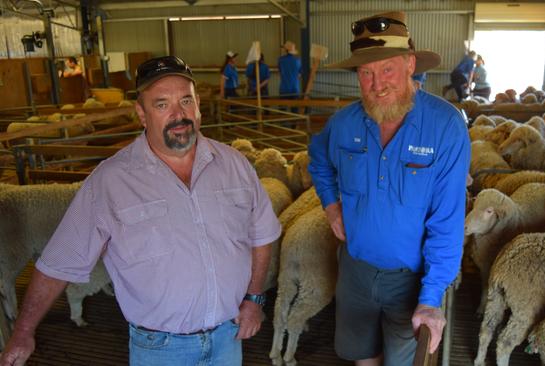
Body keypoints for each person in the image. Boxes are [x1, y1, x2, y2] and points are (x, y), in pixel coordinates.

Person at [0, 55, 281, 366]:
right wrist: (23, 331)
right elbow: (58, 263)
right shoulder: (111, 181)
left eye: (186, 100)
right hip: (161, 350)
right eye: (162, 104)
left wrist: (254, 298)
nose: (179, 114)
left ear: (198, 104)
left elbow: (262, 233)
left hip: (227, 339)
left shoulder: (235, 164)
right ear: (142, 114)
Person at [308, 11, 470, 366]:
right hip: (355, 271)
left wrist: (430, 298)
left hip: (410, 280)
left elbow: (447, 221)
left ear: (410, 64)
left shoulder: (445, 127)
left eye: (387, 70)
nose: (376, 83)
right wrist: (331, 205)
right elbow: (317, 159)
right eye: (365, 73)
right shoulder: (343, 123)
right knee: (362, 356)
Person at [278, 41, 301, 112]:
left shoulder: (280, 60)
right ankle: (294, 122)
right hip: (294, 88)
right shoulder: (298, 60)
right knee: (294, 111)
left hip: (284, 89)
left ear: (285, 50)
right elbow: (299, 75)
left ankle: (282, 122)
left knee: (282, 111)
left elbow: (280, 71)